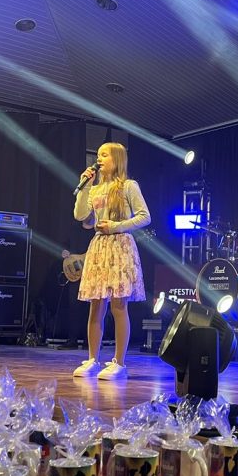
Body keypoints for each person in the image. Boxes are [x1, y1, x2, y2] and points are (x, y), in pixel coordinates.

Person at [72, 142, 151, 380]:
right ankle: (92, 359)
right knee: (96, 305)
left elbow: (145, 217)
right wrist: (85, 186)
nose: (99, 159)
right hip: (99, 247)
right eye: (98, 155)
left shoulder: (129, 186)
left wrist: (116, 226)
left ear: (117, 159)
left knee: (118, 305)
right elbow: (80, 215)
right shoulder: (94, 189)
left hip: (120, 245)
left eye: (104, 155)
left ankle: (119, 362)